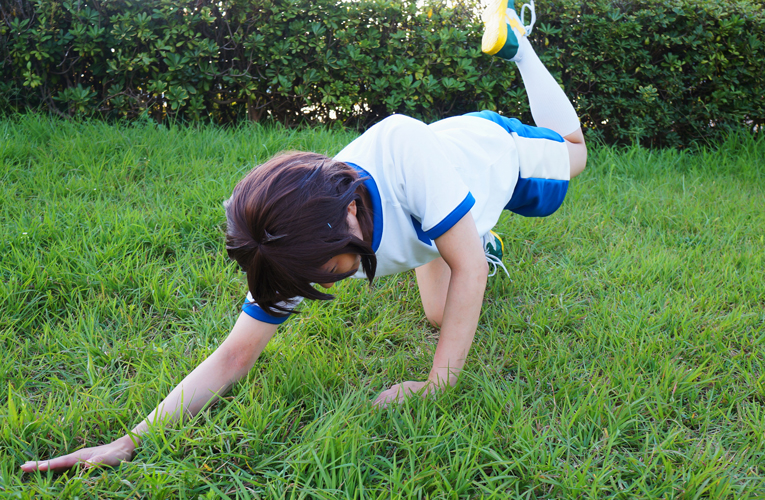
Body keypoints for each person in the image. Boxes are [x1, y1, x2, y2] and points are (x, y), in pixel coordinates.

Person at [20, 0, 586, 472]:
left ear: (349, 217)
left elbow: (470, 272)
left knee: (575, 153)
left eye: (324, 273)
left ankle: (520, 45)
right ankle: (467, 235)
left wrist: (437, 383)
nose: (321, 286)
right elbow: (234, 355)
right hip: (435, 208)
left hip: (495, 158)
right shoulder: (291, 240)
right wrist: (128, 441)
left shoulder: (402, 146)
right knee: (443, 316)